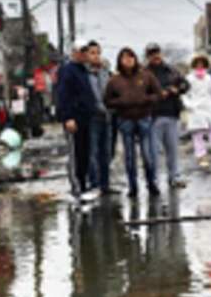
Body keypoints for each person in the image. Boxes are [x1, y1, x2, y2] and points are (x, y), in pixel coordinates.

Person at [105, 47, 163, 198]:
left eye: (131, 57)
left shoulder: (146, 76)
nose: (128, 60)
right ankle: (133, 186)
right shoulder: (114, 80)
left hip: (144, 118)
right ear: (120, 61)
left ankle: (152, 183)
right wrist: (121, 102)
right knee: (129, 157)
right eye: (124, 58)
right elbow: (107, 100)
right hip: (125, 120)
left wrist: (146, 100)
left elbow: (158, 94)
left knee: (147, 155)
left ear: (135, 59)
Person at [56, 42, 98, 201]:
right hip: (74, 119)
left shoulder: (83, 71)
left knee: (85, 154)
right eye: (82, 51)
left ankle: (83, 184)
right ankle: (76, 188)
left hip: (86, 118)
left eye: (86, 51)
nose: (85, 54)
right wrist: (68, 117)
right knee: (76, 155)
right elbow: (63, 96)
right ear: (74, 53)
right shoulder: (68, 71)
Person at [145, 43, 191, 189]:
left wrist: (175, 90)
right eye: (152, 54)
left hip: (171, 114)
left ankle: (174, 177)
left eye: (157, 52)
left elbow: (186, 85)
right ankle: (154, 180)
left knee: (172, 149)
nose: (155, 56)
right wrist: (157, 94)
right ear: (148, 56)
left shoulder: (171, 71)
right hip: (153, 116)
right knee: (154, 151)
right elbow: (139, 92)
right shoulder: (144, 73)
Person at [183, 55, 211, 168]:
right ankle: (201, 157)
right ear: (194, 65)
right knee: (198, 136)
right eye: (198, 63)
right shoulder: (189, 79)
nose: (200, 65)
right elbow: (184, 94)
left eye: (202, 63)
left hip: (208, 110)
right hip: (196, 110)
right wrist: (190, 105)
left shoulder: (209, 78)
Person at [86, 40, 116, 195]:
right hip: (91, 117)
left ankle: (105, 185)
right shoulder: (83, 73)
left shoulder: (105, 72)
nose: (96, 56)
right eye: (92, 53)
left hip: (107, 116)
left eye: (98, 53)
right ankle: (94, 184)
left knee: (107, 152)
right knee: (93, 152)